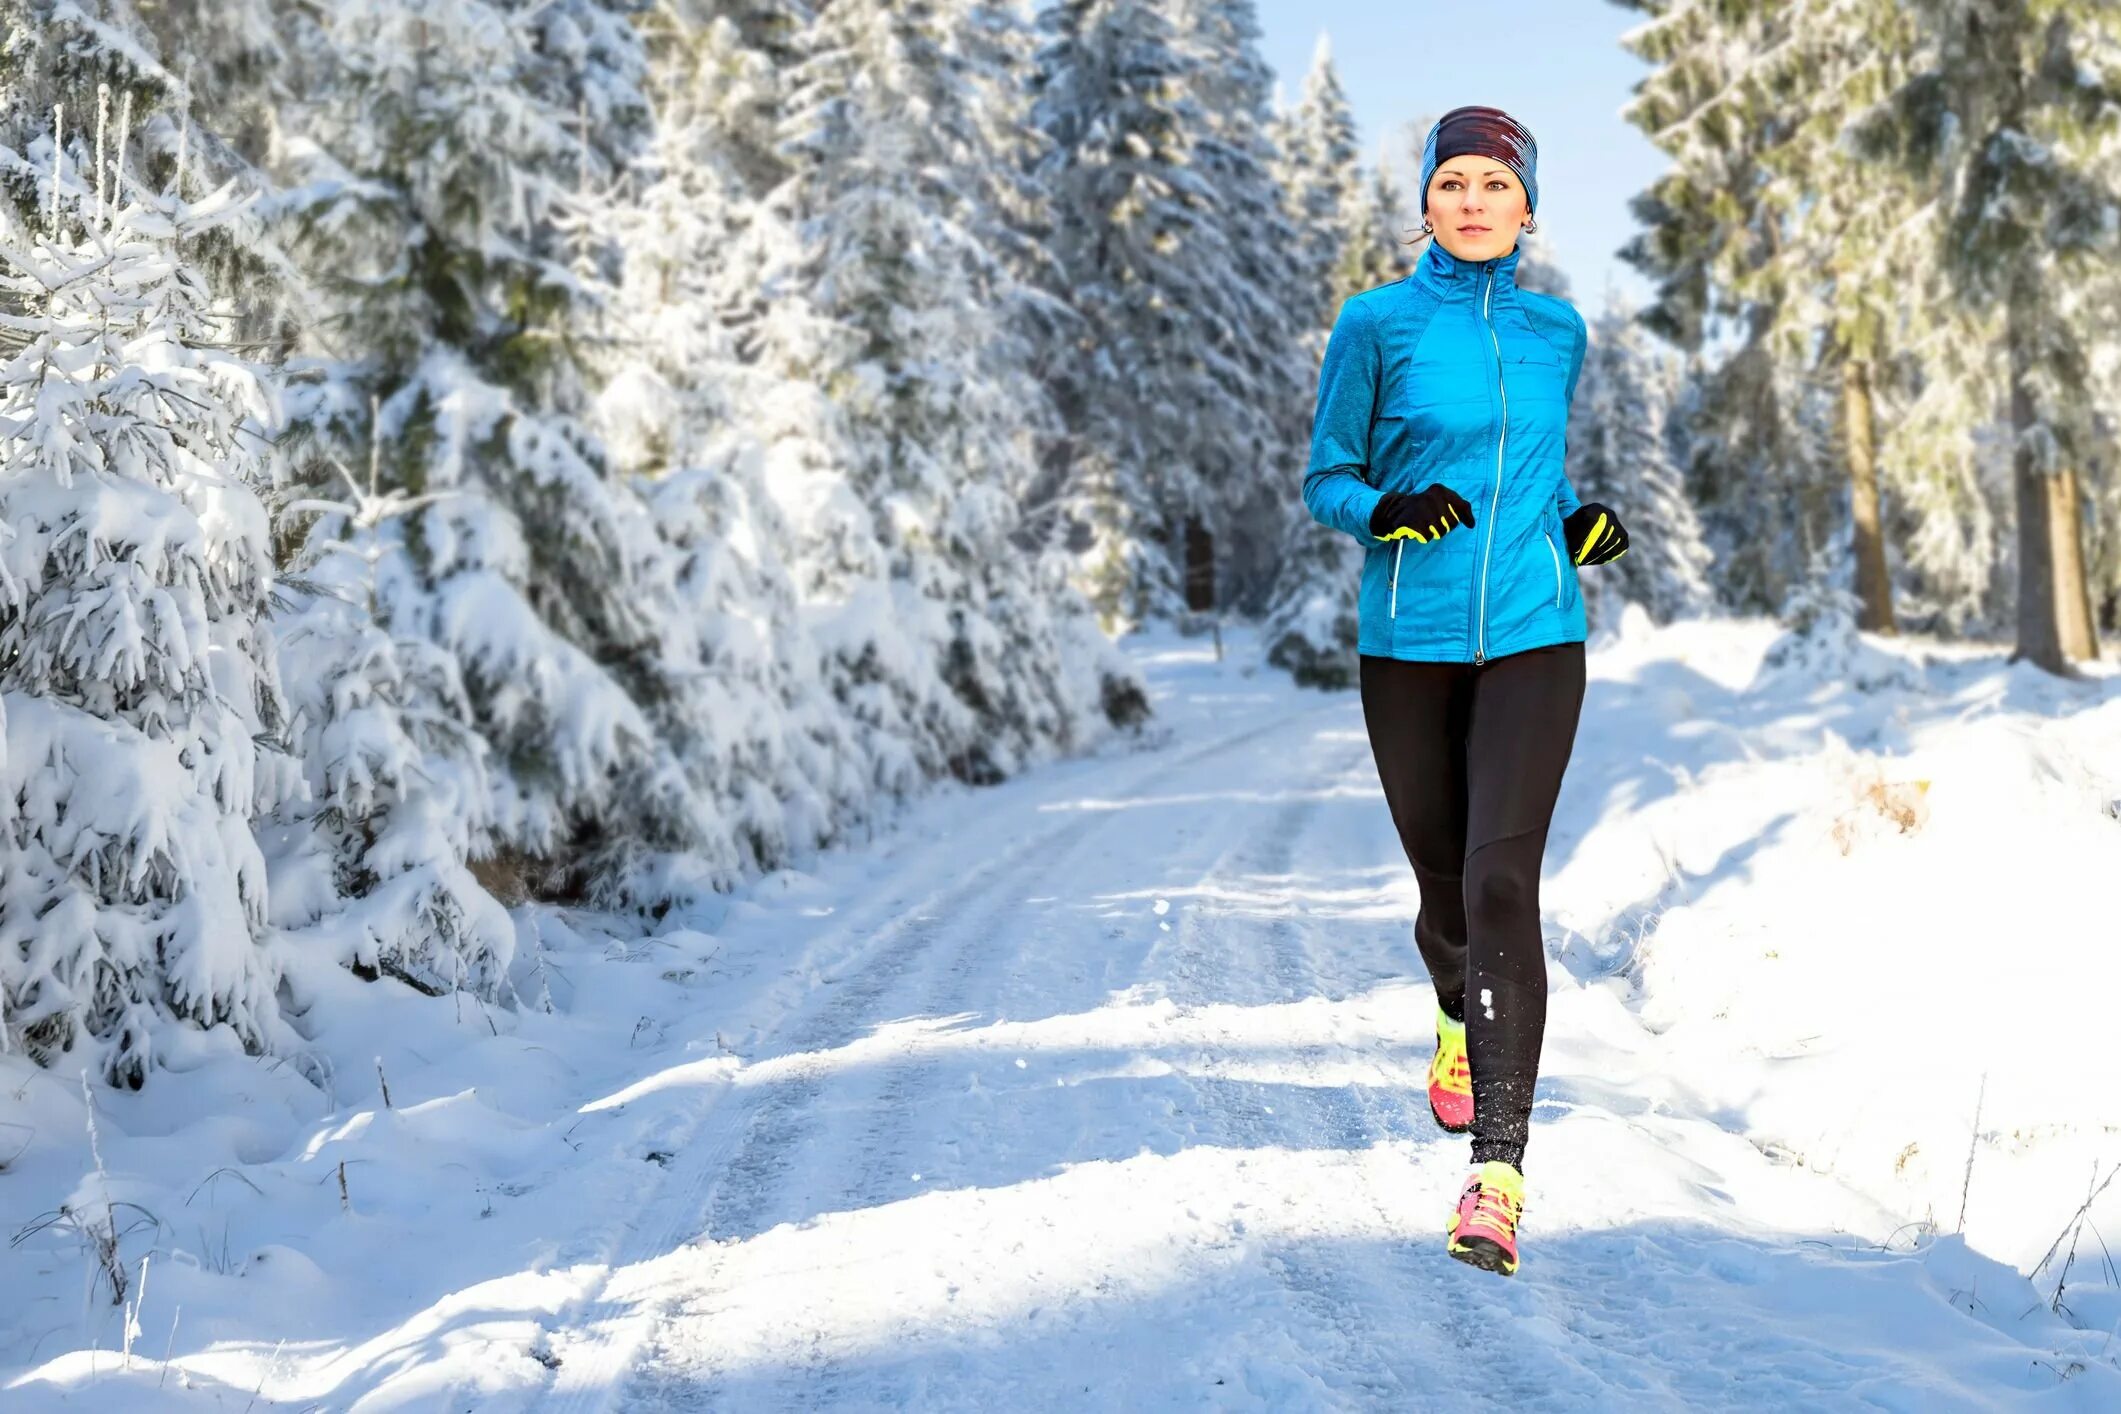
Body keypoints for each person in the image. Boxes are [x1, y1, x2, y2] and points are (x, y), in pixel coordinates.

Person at [1301, 105, 1630, 1277]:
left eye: (1498, 184)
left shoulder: (1557, 331)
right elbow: (1324, 476)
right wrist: (1380, 508)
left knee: (1501, 881)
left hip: (1540, 633)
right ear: (1428, 203)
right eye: (1456, 184)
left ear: (1528, 208)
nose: (1476, 200)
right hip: (1410, 640)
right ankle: (1453, 1008)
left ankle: (1496, 1171)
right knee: (1444, 887)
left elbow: (1536, 470)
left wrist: (1574, 522)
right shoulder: (1375, 324)